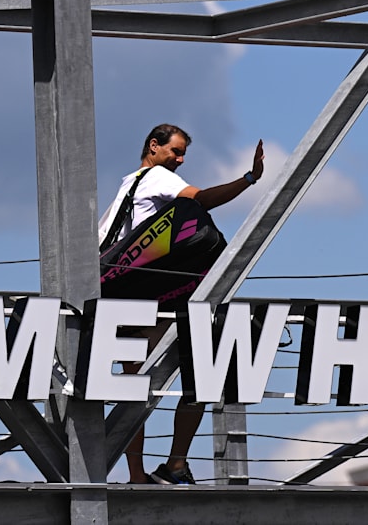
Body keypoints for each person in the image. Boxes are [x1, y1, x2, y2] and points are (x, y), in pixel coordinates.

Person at [98, 123, 264, 484]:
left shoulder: (128, 186)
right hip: (153, 299)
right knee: (202, 374)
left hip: (124, 298)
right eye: (175, 151)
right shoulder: (156, 176)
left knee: (133, 392)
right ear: (153, 146)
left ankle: (137, 475)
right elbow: (200, 199)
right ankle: (175, 463)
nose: (181, 159)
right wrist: (249, 178)